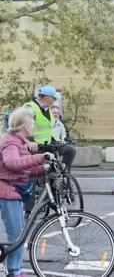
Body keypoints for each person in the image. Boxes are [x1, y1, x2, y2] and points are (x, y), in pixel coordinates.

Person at [0, 107, 54, 277]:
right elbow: (13, 163)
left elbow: (24, 169)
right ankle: (15, 272)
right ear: (25, 126)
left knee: (18, 233)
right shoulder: (11, 141)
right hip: (7, 191)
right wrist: (40, 157)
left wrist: (44, 168)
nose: (34, 127)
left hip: (12, 190)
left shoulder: (18, 141)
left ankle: (15, 270)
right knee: (16, 234)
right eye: (32, 124)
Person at [23, 85, 77, 218]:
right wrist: (29, 141)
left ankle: (62, 176)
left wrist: (60, 142)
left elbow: (50, 128)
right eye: (52, 99)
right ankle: (28, 209)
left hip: (48, 144)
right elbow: (23, 126)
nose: (54, 101)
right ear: (46, 97)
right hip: (33, 146)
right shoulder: (31, 108)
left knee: (70, 151)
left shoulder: (47, 109)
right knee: (33, 175)